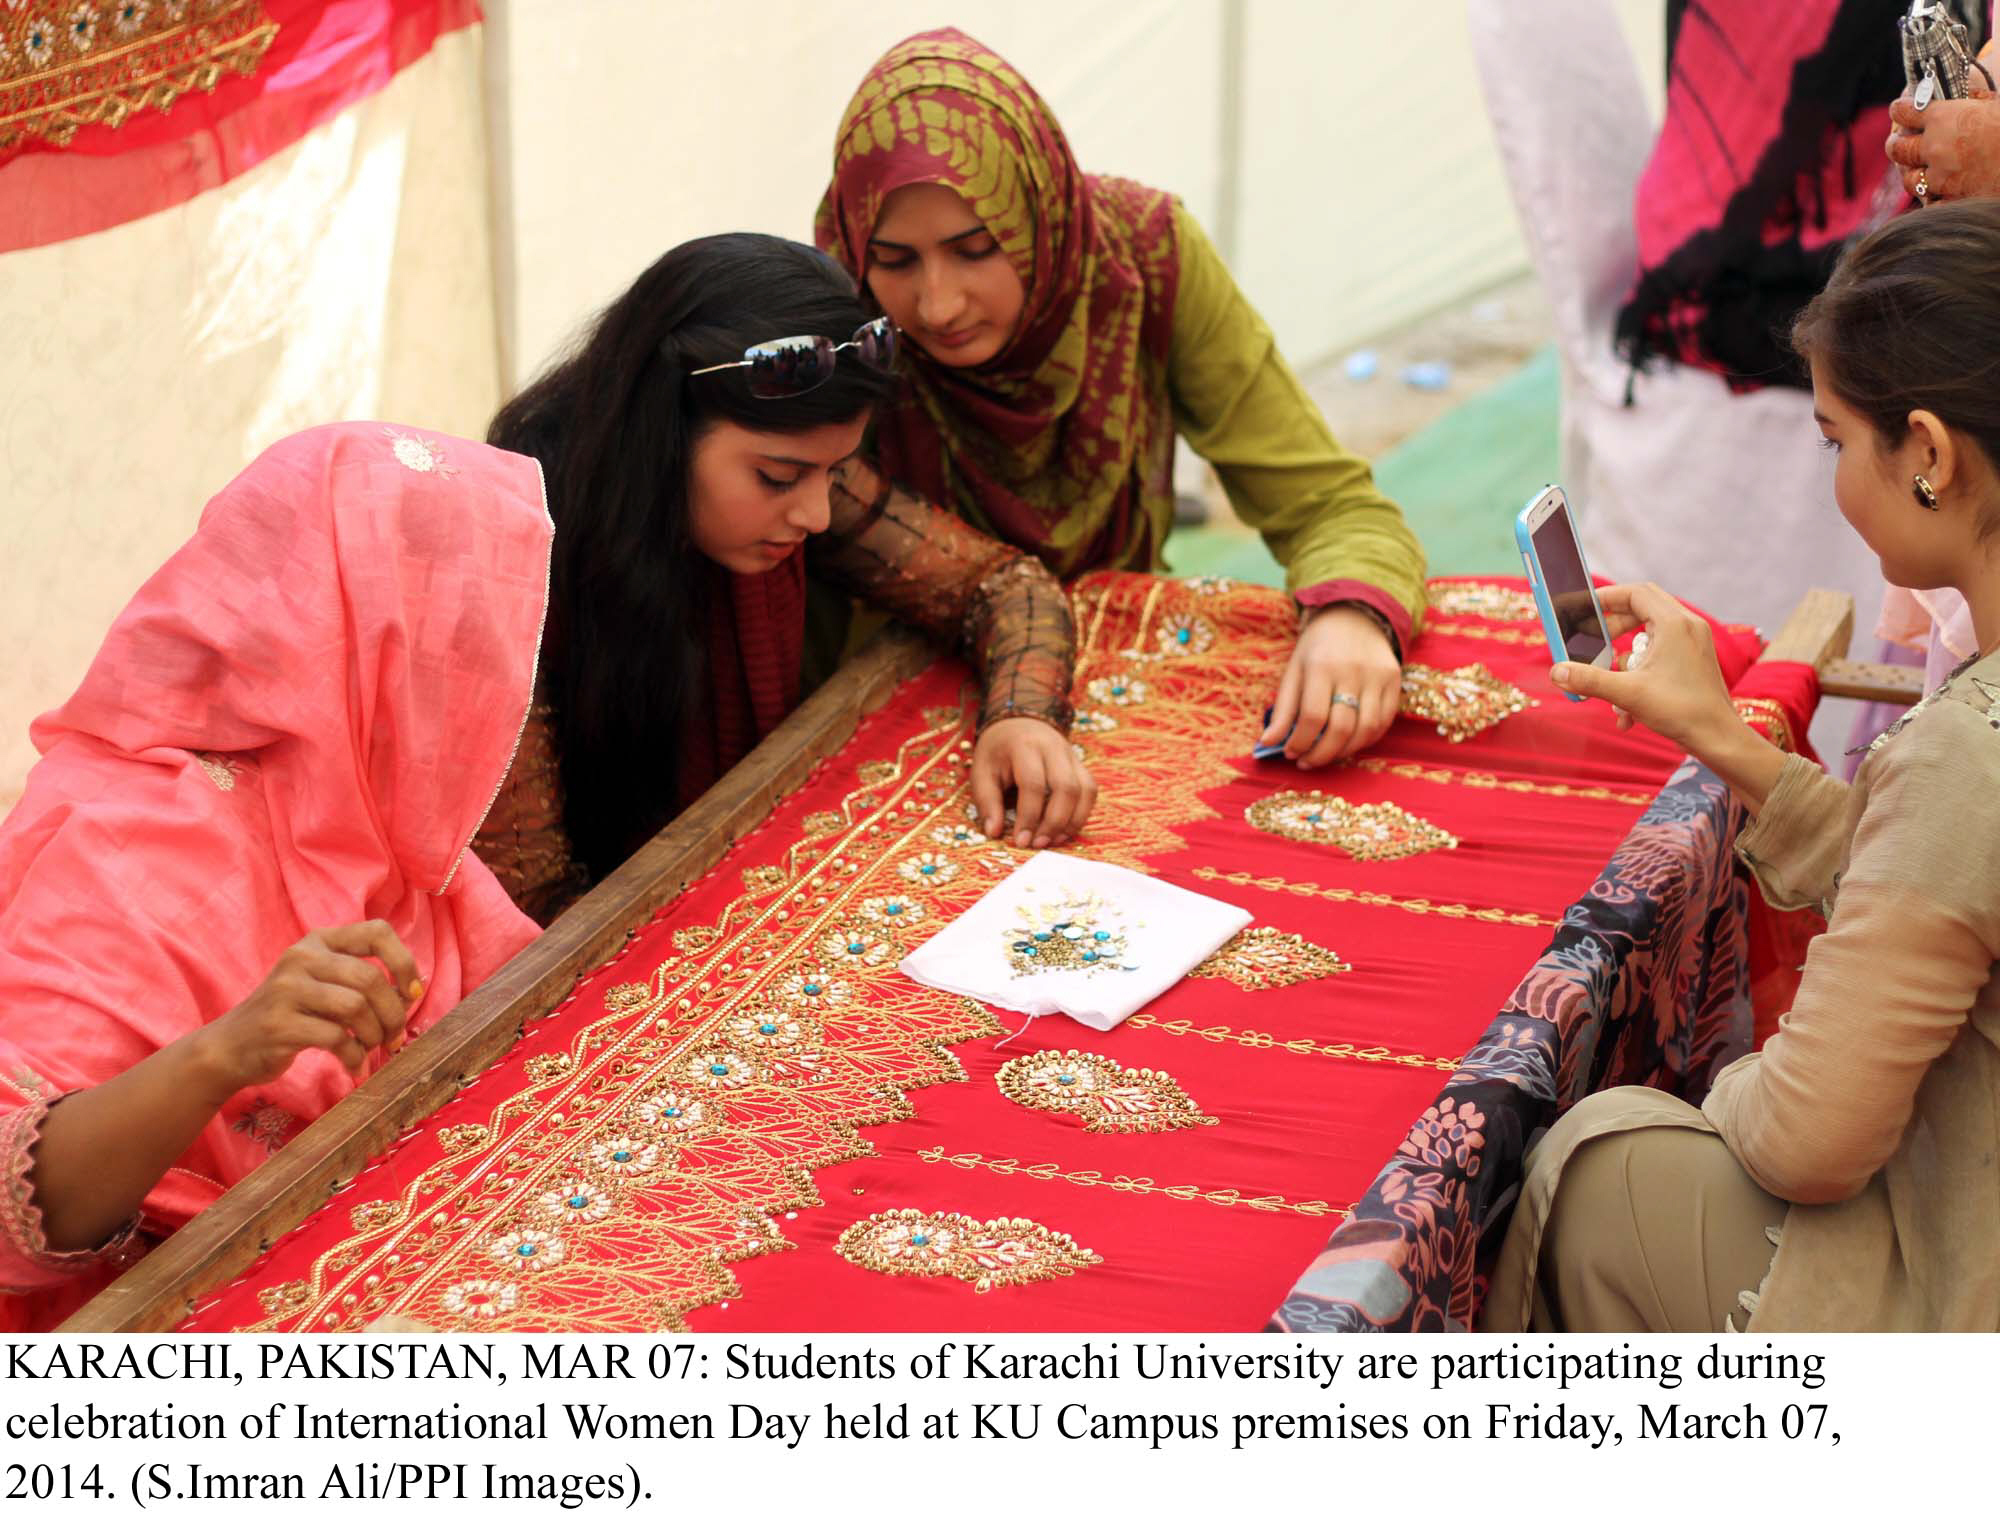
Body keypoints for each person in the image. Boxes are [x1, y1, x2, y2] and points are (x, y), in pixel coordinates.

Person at [1482, 200, 2000, 1332]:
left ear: (1926, 454)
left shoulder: (1970, 750)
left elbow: (1809, 1137)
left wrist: (1700, 1088)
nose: (1833, 476)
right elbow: (1941, 877)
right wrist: (1724, 736)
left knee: (1597, 1157)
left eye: (1833, 440)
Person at [0, 423, 551, 1330]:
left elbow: (533, 1018)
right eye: (435, 632)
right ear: (338, 631)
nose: (472, 673)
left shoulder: (363, 817)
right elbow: (16, 1210)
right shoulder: (121, 842)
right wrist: (221, 1055)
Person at [815, 29, 1426, 769]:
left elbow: (1326, 503)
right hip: (895, 699)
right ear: (855, 247)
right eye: (894, 260)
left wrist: (1352, 616)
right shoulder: (836, 319)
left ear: (1038, 216)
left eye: (977, 249)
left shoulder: (1143, 256)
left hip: (1124, 680)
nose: (938, 305)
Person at [480, 234, 1089, 923]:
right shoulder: (510, 561)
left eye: (833, 472)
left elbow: (1002, 586)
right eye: (777, 478)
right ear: (661, 434)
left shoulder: (787, 452)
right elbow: (530, 915)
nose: (818, 514)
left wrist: (1022, 718)